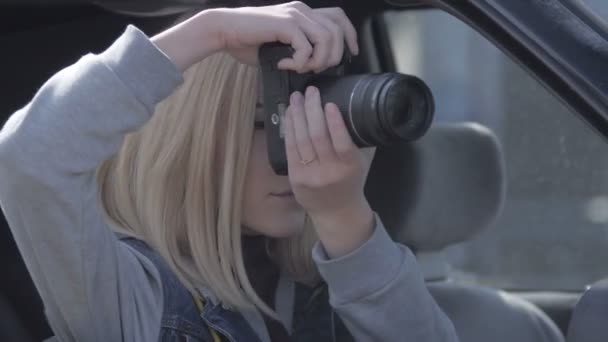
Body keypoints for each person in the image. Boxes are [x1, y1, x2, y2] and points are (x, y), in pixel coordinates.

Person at [0, 2, 458, 341]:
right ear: (193, 140)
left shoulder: (334, 294)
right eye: (268, 122)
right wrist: (211, 33)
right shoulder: (131, 299)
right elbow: (30, 159)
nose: (299, 149)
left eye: (320, 119)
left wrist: (344, 219)